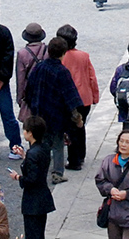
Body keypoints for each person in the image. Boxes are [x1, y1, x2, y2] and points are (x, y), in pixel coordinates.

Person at [23, 36, 82, 183]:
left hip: (39, 112)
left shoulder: (39, 67)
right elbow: (70, 97)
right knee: (57, 144)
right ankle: (57, 173)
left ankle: (39, 169)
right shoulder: (62, 71)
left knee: (41, 143)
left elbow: (29, 89)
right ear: (64, 53)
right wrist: (77, 118)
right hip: (56, 115)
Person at [10, 116, 55, 239]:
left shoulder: (34, 153)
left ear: (30, 132)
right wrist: (25, 157)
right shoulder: (42, 148)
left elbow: (31, 179)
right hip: (42, 198)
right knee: (39, 238)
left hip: (33, 201)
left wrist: (18, 177)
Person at [58, 24, 100, 170]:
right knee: (80, 127)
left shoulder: (61, 58)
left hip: (68, 99)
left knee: (71, 129)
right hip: (84, 98)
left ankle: (74, 160)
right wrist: (95, 96)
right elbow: (92, 78)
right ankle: (80, 155)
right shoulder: (84, 56)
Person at [15, 23, 49, 124]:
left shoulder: (22, 53)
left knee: (31, 124)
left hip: (30, 93)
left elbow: (20, 79)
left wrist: (20, 99)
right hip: (45, 92)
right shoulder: (47, 50)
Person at [0, 24, 22, 154]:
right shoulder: (3, 31)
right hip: (0, 80)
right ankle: (16, 145)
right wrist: (3, 77)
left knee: (7, 115)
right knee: (7, 114)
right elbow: (8, 55)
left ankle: (15, 144)